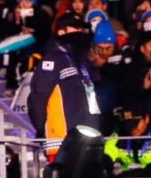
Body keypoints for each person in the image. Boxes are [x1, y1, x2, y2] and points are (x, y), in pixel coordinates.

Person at [28, 14, 101, 160]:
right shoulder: (52, 61)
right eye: (77, 28)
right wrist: (44, 129)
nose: (81, 32)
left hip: (87, 138)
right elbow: (37, 99)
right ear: (62, 32)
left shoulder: (80, 62)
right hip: (61, 141)